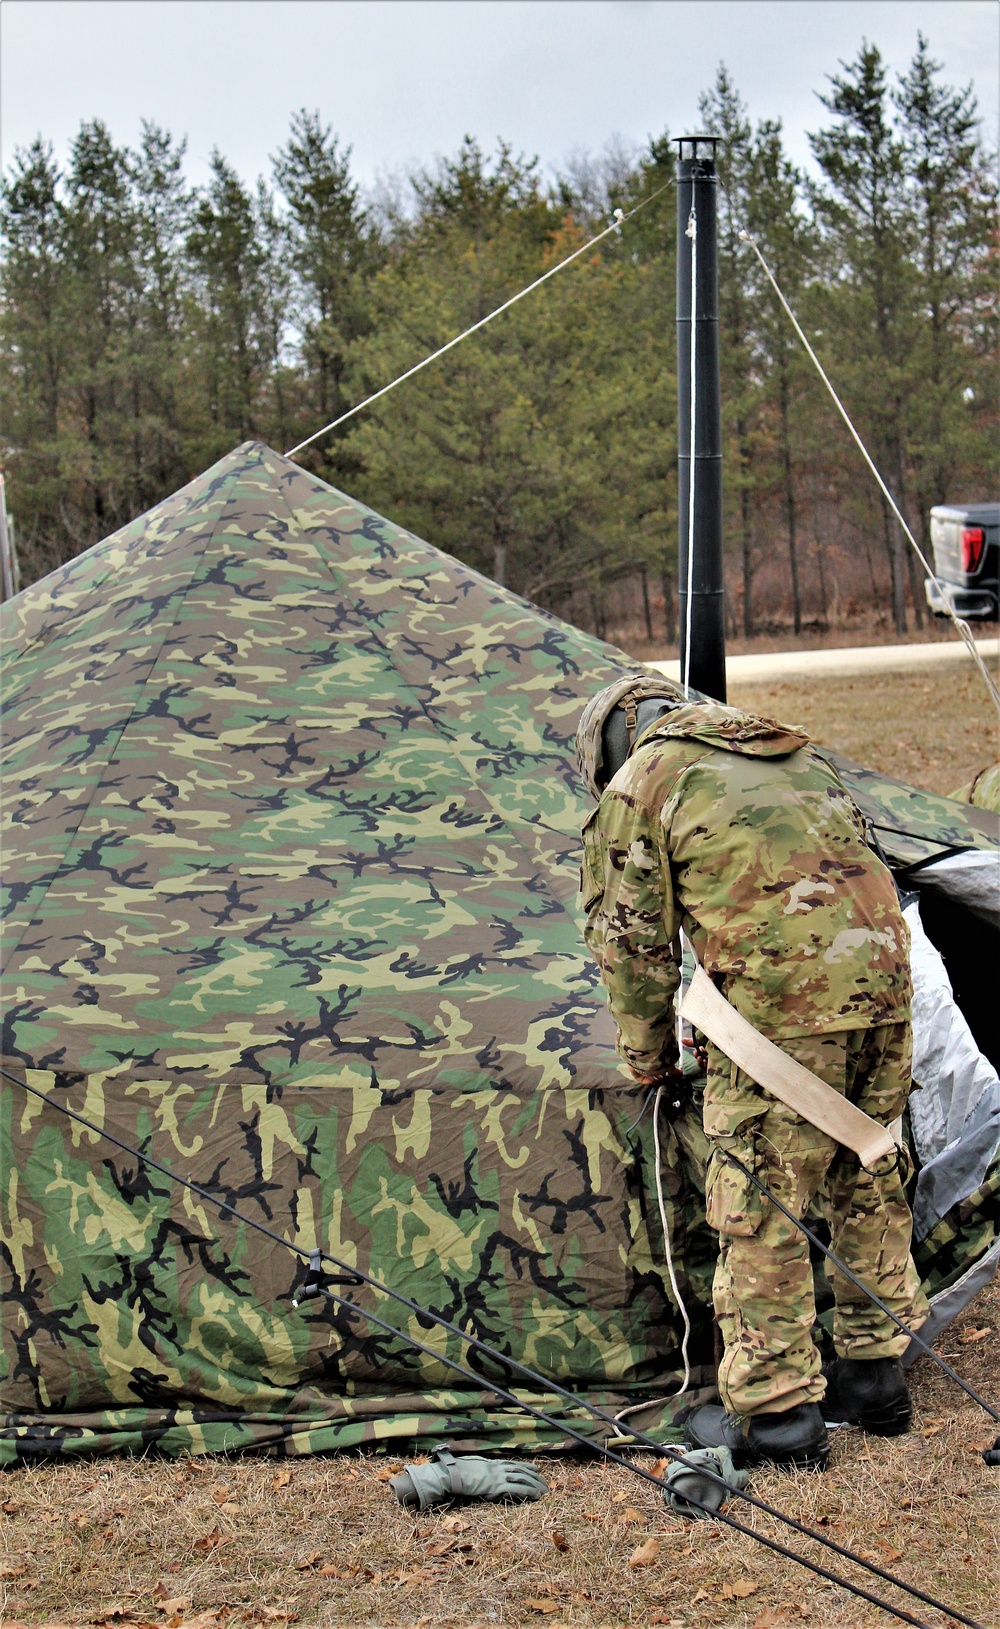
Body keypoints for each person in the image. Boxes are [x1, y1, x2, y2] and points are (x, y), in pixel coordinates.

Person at [576, 674, 928, 1470]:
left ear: (611, 748)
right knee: (864, 1168)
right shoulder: (791, 750)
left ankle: (778, 1417)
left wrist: (649, 1055)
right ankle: (875, 1377)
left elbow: (632, 944)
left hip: (782, 1014)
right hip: (888, 993)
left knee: (761, 1200)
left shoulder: (645, 782)